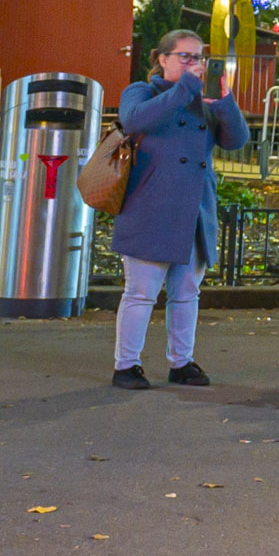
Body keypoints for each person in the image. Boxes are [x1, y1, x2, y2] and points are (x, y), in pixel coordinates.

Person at [110, 29, 250, 391]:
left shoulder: (203, 100)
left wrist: (224, 101)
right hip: (151, 208)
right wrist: (185, 89)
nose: (195, 64)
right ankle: (126, 365)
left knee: (187, 292)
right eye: (185, 57)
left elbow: (236, 141)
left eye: (199, 58)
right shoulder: (142, 91)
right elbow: (135, 120)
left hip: (194, 210)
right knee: (141, 292)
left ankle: (181, 362)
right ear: (163, 59)